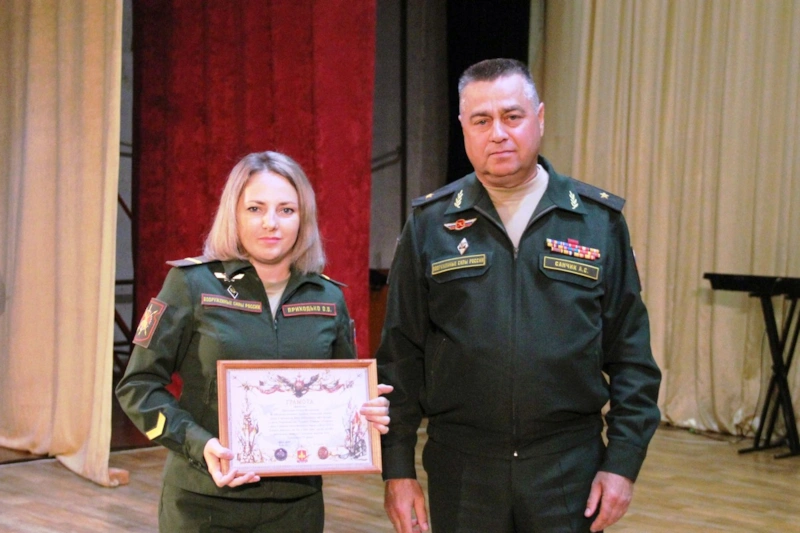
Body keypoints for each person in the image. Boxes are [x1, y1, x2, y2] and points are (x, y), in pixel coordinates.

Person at [376, 58, 661, 533]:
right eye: (481, 120)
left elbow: (632, 357)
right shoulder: (429, 225)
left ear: (540, 118)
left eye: (512, 116)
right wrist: (397, 468)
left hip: (568, 467)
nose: (498, 134)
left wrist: (623, 463)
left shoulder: (597, 222)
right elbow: (399, 358)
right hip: (462, 469)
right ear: (463, 128)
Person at [116, 151, 392, 533]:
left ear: (303, 218)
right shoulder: (190, 285)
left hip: (296, 507)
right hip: (203, 503)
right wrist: (198, 444)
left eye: (286, 210)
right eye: (255, 208)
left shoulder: (329, 298)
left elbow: (339, 397)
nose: (270, 223)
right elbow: (137, 386)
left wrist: (365, 412)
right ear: (234, 214)